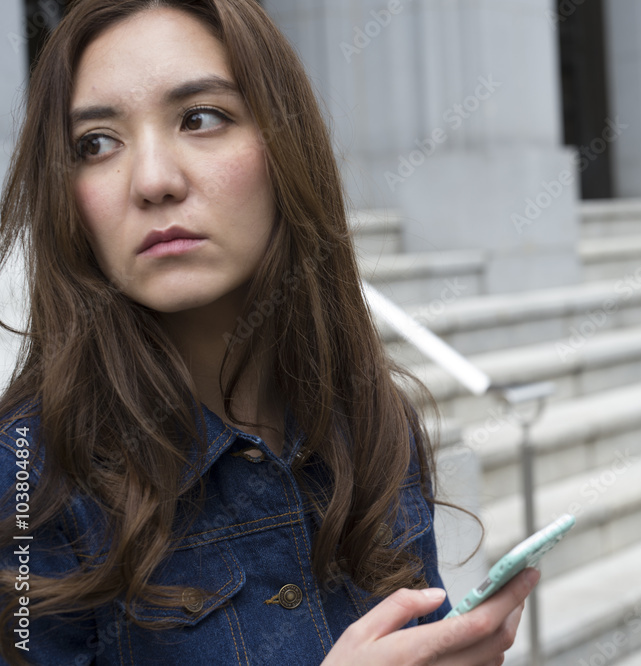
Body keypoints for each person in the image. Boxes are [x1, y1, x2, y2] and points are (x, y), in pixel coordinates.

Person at [0, 0, 538, 663]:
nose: (153, 181)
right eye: (97, 143)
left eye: (200, 119)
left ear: (287, 148)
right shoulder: (26, 476)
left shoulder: (372, 421)